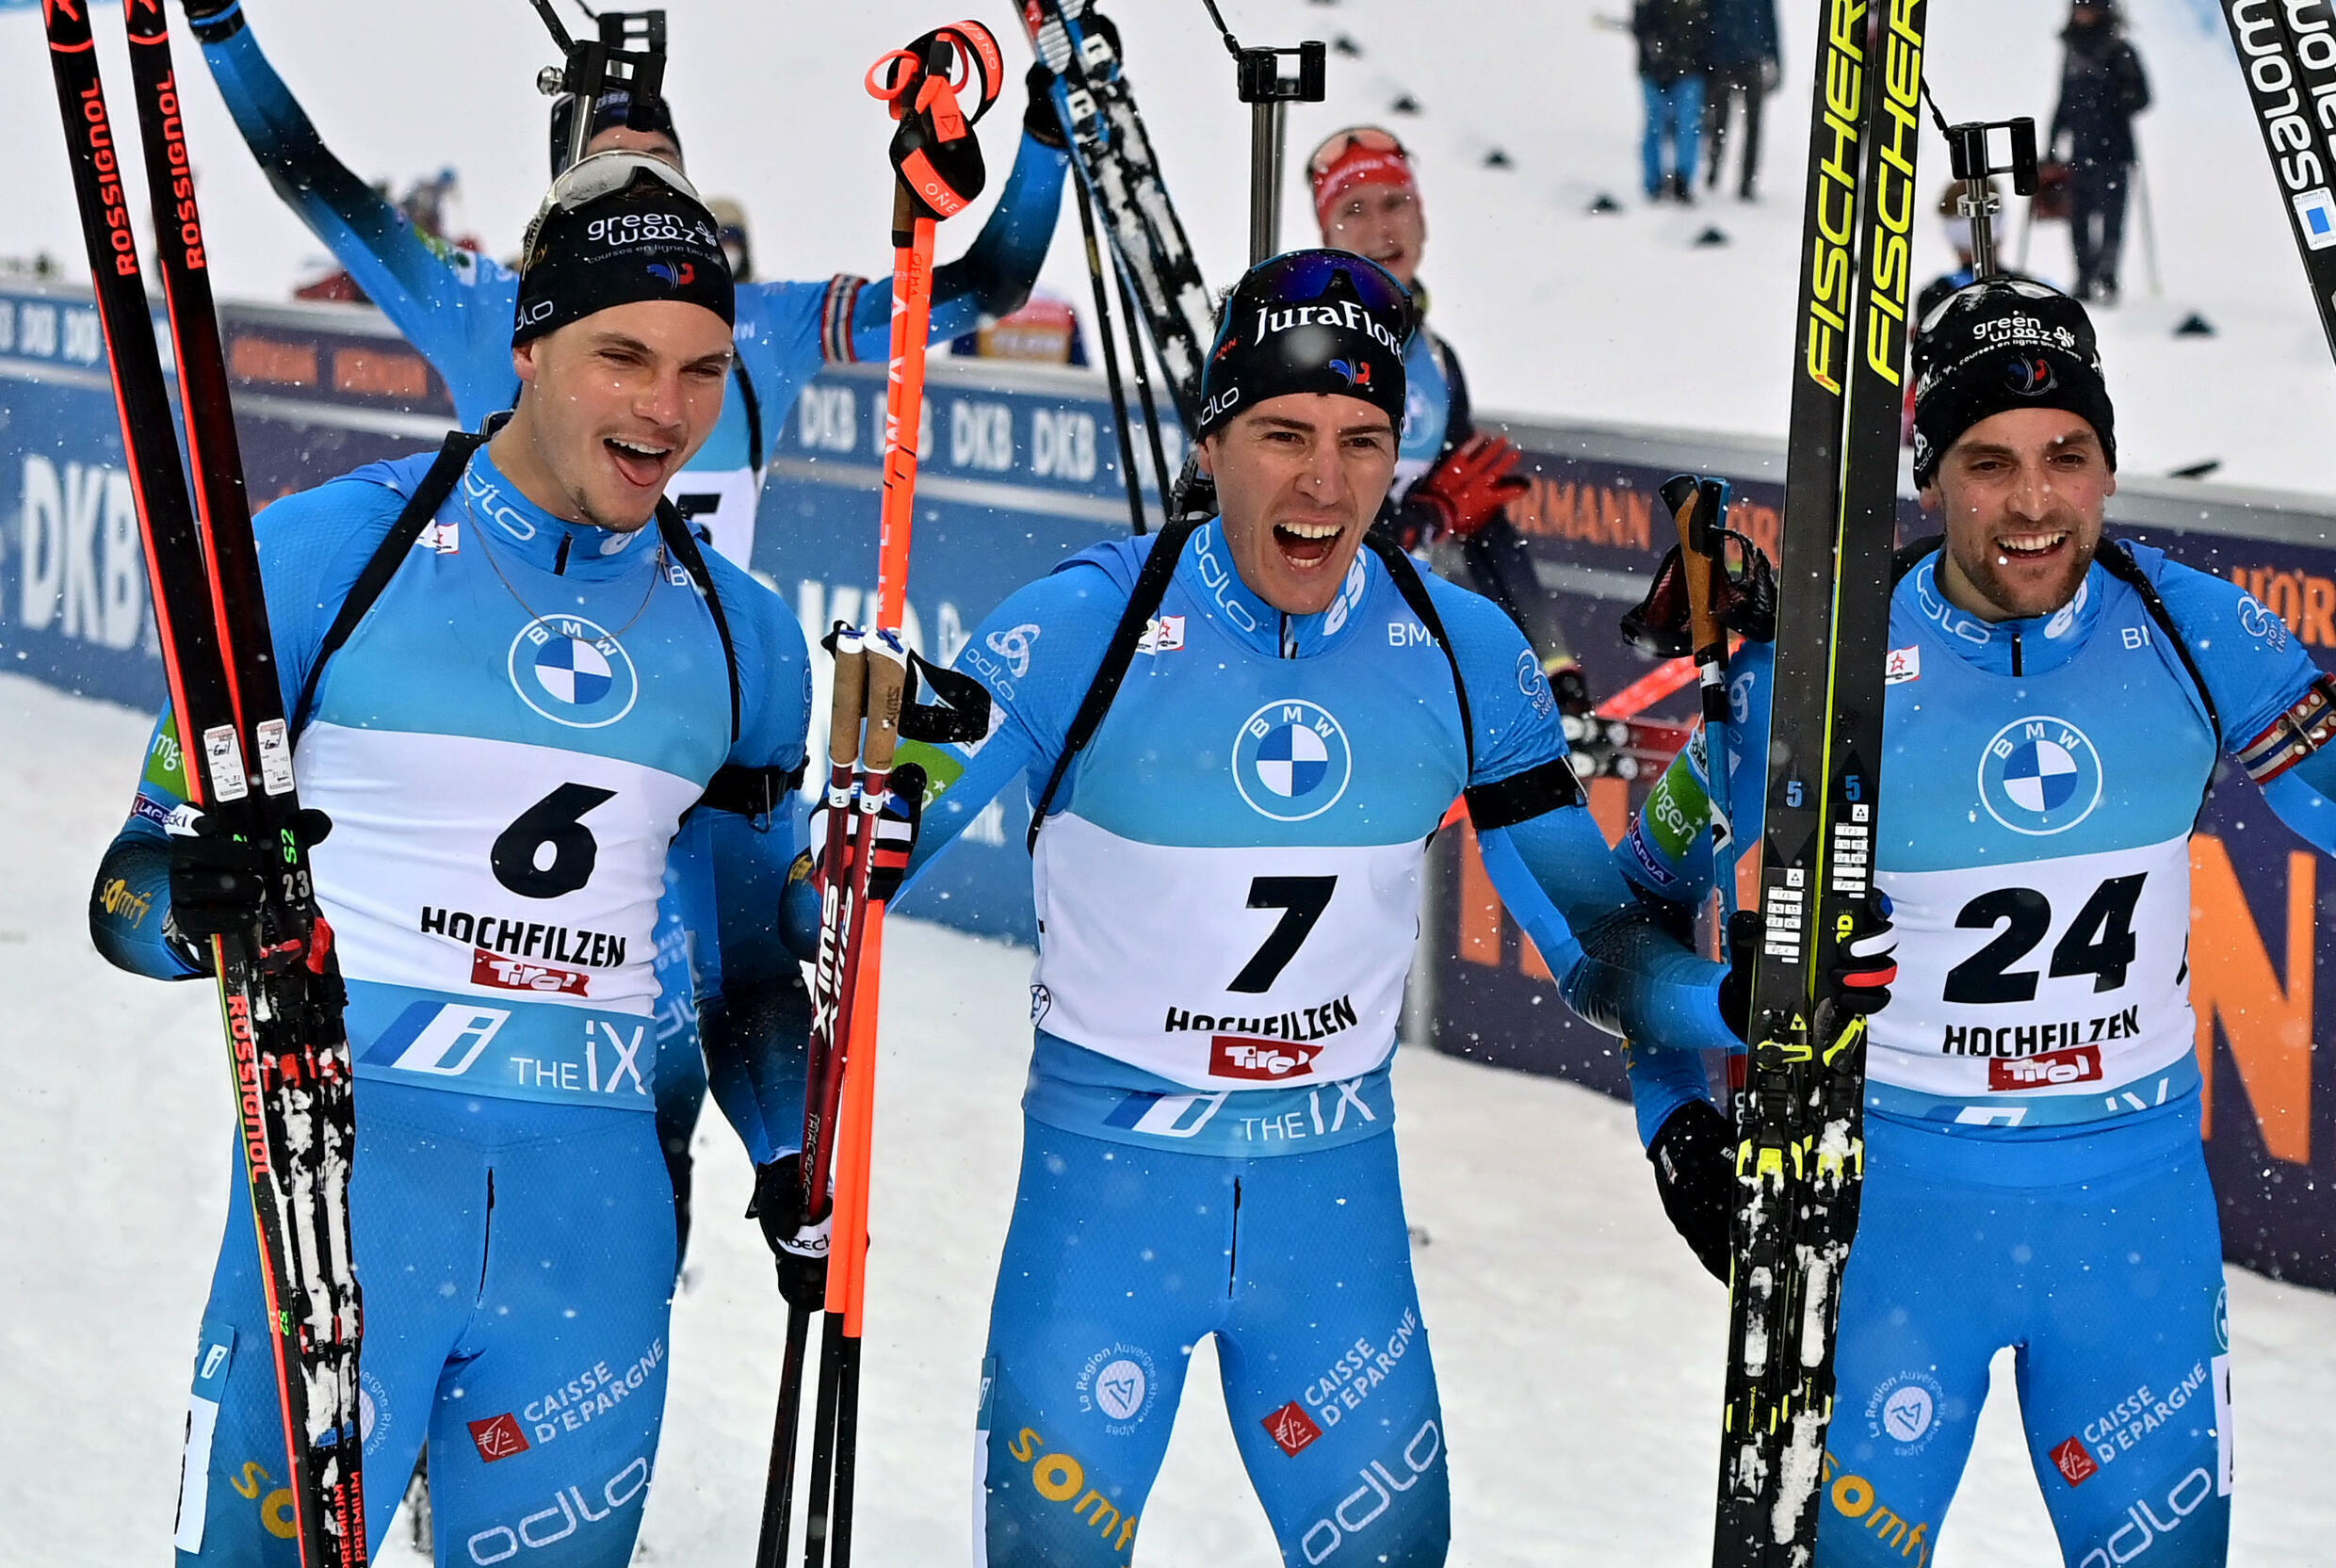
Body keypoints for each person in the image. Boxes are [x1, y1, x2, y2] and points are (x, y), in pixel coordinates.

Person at [777, 250, 1740, 1564]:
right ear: (1214, 436)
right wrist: (870, 797)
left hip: (1334, 1225)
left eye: (1362, 440)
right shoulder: (1088, 627)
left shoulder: (1462, 654)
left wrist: (1727, 1002)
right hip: (1104, 1215)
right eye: (1283, 435)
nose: (1325, 484)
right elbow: (833, 894)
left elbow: (1599, 947)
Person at [180, 0, 1070, 1257]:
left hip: (690, 740)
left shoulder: (756, 324)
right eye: (613, 167)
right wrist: (220, 34)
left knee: (676, 1073)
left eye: (668, 169)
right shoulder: (493, 309)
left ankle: (600, 1344)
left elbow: (986, 289)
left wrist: (1046, 129)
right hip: (505, 728)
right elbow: (317, 186)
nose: (648, 187)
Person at [89, 157, 816, 1564]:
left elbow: (744, 975)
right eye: (623, 356)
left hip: (595, 1239)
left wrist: (793, 1150)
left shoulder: (747, 640)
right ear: (530, 344)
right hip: (340, 1204)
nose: (668, 411)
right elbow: (126, 893)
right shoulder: (316, 558)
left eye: (704, 369)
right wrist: (199, 902)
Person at [1620, 277, 2336, 1565]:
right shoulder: (1822, 666)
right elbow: (1633, 913)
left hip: (2134, 1225)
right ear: (1929, 473)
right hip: (1889, 1222)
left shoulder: (2192, 629)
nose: (2033, 502)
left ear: (2110, 467)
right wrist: (1678, 1122)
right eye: (1987, 461)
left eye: (2068, 457)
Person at [1306, 126, 1592, 714]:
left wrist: (1548, 661)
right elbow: (1316, 524)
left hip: (1392, 643)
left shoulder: (1435, 362)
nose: (1381, 229)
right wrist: (1427, 518)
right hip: (1309, 651)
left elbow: (1483, 523)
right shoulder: (1308, 347)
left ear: (1424, 220)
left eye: (1395, 203)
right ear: (1326, 234)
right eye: (1354, 209)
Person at [2049, 0, 2149, 304]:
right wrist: (2052, 144)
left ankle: (2107, 275)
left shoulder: (2120, 49)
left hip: (2115, 149)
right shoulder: (2071, 51)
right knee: (2078, 217)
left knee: (2111, 217)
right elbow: (2063, 101)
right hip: (2081, 151)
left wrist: (2113, 96)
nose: (2082, 13)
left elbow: (2141, 97)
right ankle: (2084, 276)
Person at [1632, 0, 1711, 204]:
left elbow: (1707, 27)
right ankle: (1654, 183)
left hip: (1689, 69)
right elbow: (1641, 25)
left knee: (1688, 126)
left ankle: (1682, 181)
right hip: (1655, 70)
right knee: (1656, 127)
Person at [1700, 0, 1778, 200]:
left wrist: (1775, 59)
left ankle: (1745, 181)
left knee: (1749, 125)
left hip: (1747, 59)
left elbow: (1770, 22)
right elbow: (1707, 19)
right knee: (1722, 120)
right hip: (1725, 59)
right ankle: (1715, 171)